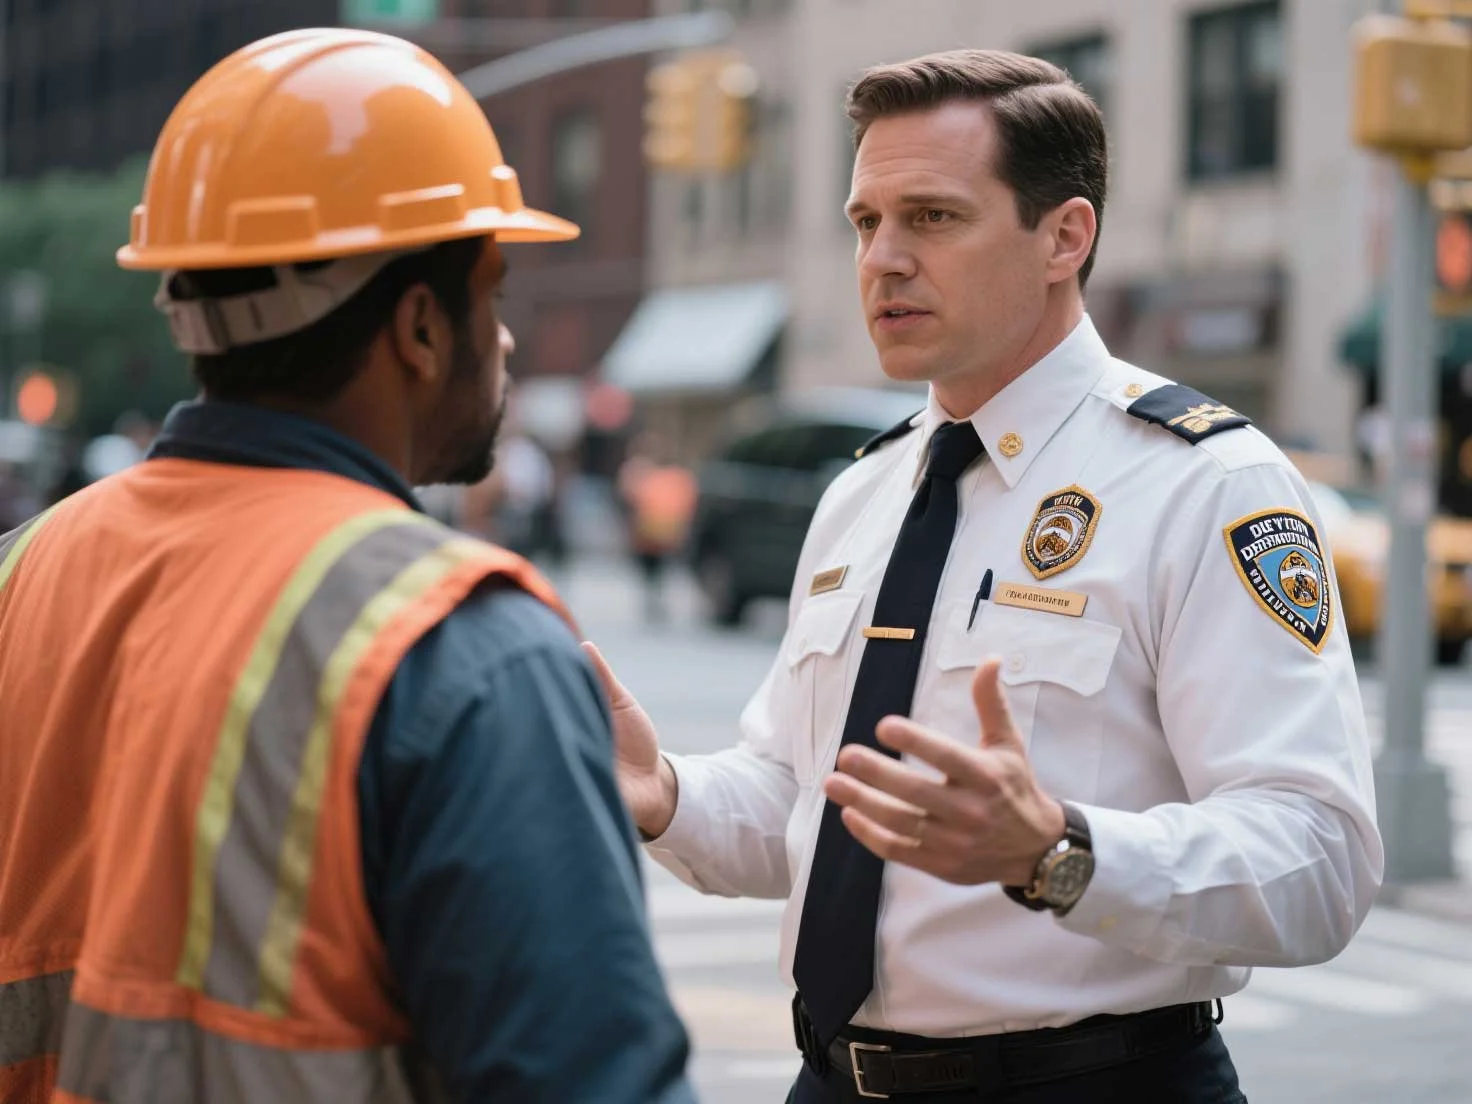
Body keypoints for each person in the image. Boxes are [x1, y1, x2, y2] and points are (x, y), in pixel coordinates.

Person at [586, 49, 1382, 1103]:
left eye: (932, 217)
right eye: (865, 221)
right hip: (831, 1081)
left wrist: (1058, 851)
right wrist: (662, 796)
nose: (882, 259)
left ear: (1064, 236)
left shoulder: (1205, 484)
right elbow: (801, 804)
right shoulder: (862, 495)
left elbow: (1317, 859)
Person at [0, 29, 693, 1104]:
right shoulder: (463, 647)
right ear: (419, 325)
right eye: (492, 292)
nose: (502, 342)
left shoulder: (22, 570)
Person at [617, 432, 698, 622]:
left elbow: (685, 504)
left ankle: (656, 596)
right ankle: (654, 596)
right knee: (650, 566)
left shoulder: (673, 476)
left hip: (664, 529)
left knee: (659, 567)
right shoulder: (640, 471)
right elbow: (630, 500)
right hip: (647, 529)